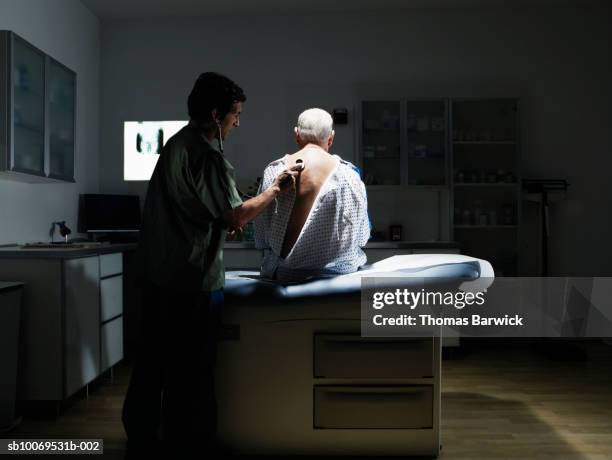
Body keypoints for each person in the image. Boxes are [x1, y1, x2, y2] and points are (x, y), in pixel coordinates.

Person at [122, 72, 299, 459]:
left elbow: (192, 208)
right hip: (190, 284)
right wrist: (274, 190)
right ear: (217, 115)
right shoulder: (208, 156)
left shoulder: (176, 146)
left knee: (151, 366)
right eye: (236, 114)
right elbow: (236, 216)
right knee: (192, 374)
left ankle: (141, 442)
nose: (239, 121)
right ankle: (190, 445)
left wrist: (218, 219)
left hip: (156, 277)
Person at [254, 108, 370, 283]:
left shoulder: (275, 171)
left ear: (297, 134)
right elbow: (362, 237)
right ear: (331, 137)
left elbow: (261, 236)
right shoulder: (349, 174)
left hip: (286, 276)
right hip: (339, 276)